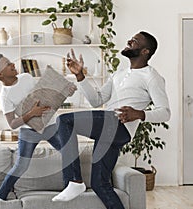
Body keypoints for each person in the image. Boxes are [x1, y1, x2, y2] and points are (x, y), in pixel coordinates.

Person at [52, 31, 171, 208]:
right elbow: (96, 100)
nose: (130, 40)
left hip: (118, 126)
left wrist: (138, 114)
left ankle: (74, 179)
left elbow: (165, 112)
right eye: (131, 37)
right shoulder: (118, 74)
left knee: (65, 120)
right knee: (101, 185)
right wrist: (80, 76)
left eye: (135, 40)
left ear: (146, 51)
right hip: (108, 130)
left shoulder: (152, 77)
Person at [0, 54, 86, 201]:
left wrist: (66, 92)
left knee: (68, 152)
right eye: (7, 64)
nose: (13, 64)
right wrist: (31, 114)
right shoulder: (4, 96)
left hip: (50, 125)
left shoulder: (26, 77)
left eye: (10, 61)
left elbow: (46, 94)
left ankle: (69, 188)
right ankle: (0, 198)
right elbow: (12, 124)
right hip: (28, 132)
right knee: (21, 166)